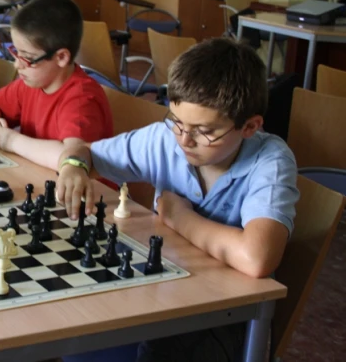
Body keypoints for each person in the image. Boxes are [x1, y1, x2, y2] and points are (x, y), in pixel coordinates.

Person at [56, 38, 299, 362]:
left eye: (204, 131)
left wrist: (177, 216)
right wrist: (73, 165)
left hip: (223, 317)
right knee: (75, 321)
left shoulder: (270, 161)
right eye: (177, 122)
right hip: (161, 292)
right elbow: (84, 151)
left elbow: (257, 258)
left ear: (250, 127)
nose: (185, 140)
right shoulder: (165, 138)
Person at [0, 0, 113, 171]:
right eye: (16, 53)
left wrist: (11, 140)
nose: (17, 65)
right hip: (38, 177)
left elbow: (72, 159)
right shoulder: (31, 83)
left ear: (61, 57)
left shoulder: (81, 99)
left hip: (87, 193)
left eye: (28, 58)